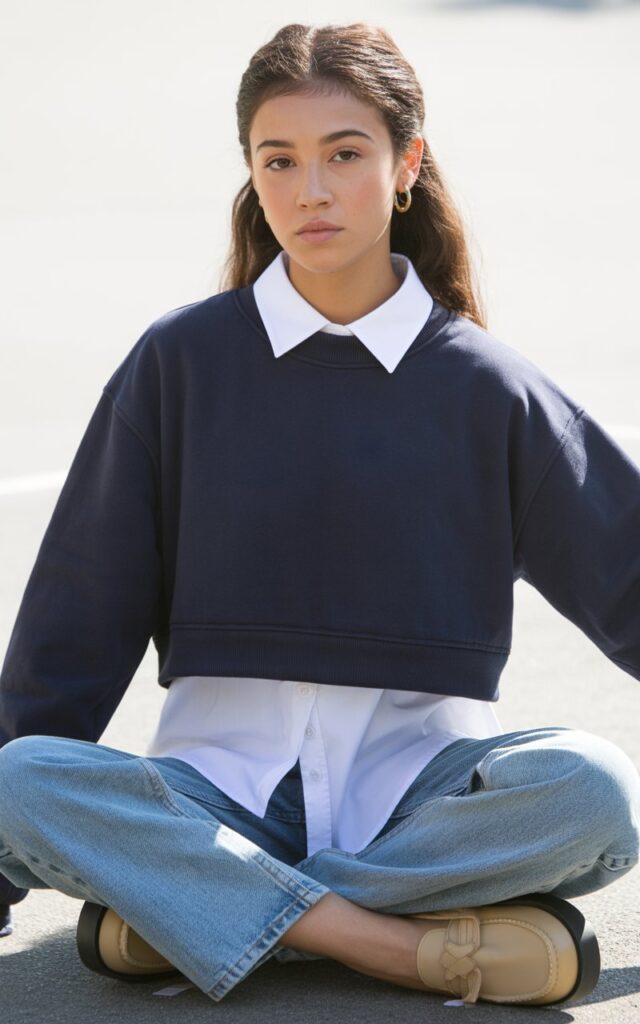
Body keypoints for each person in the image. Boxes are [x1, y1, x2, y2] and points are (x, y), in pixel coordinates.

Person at [0, 20, 639, 1008]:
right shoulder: (180, 365)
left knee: (594, 791)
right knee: (17, 776)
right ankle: (397, 945)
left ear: (405, 164)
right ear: (251, 174)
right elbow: (76, 617)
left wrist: (167, 875)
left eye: (344, 154)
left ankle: (184, 912)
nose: (311, 189)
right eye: (279, 159)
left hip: (420, 803)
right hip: (214, 796)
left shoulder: (484, 388)